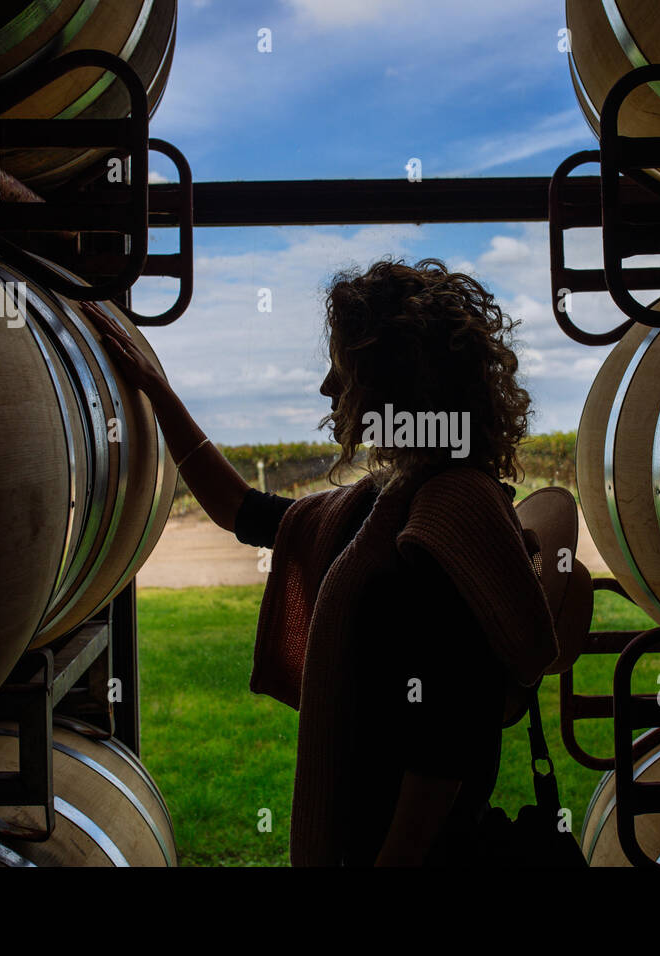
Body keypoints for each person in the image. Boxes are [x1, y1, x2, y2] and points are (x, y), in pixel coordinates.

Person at [85, 257, 559, 866]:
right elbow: (241, 510)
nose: (328, 389)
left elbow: (445, 744)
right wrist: (158, 391)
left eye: (343, 370)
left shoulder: (445, 518)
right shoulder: (387, 505)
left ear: (391, 381)